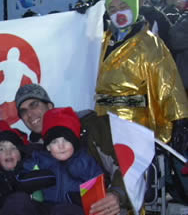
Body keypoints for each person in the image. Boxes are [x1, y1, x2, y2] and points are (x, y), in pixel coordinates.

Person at [13, 84, 131, 214]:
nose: (29, 114)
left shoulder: (90, 127)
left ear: (49, 106)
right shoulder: (30, 149)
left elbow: (126, 164)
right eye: (23, 111)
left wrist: (117, 194)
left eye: (34, 105)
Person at [94, 0, 188, 153]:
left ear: (135, 6)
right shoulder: (101, 41)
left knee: (131, 171)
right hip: (101, 120)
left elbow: (168, 83)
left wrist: (179, 119)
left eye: (124, 6)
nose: (119, 13)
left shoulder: (150, 43)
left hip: (134, 122)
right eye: (113, 9)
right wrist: (82, 20)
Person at [1, 107, 104, 215]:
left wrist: (82, 200)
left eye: (66, 140)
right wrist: (32, 179)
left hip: (71, 208)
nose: (61, 146)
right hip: (44, 206)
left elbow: (97, 187)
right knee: (17, 201)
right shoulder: (39, 158)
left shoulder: (84, 161)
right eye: (55, 142)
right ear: (48, 147)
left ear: (74, 142)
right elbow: (21, 175)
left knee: (65, 211)